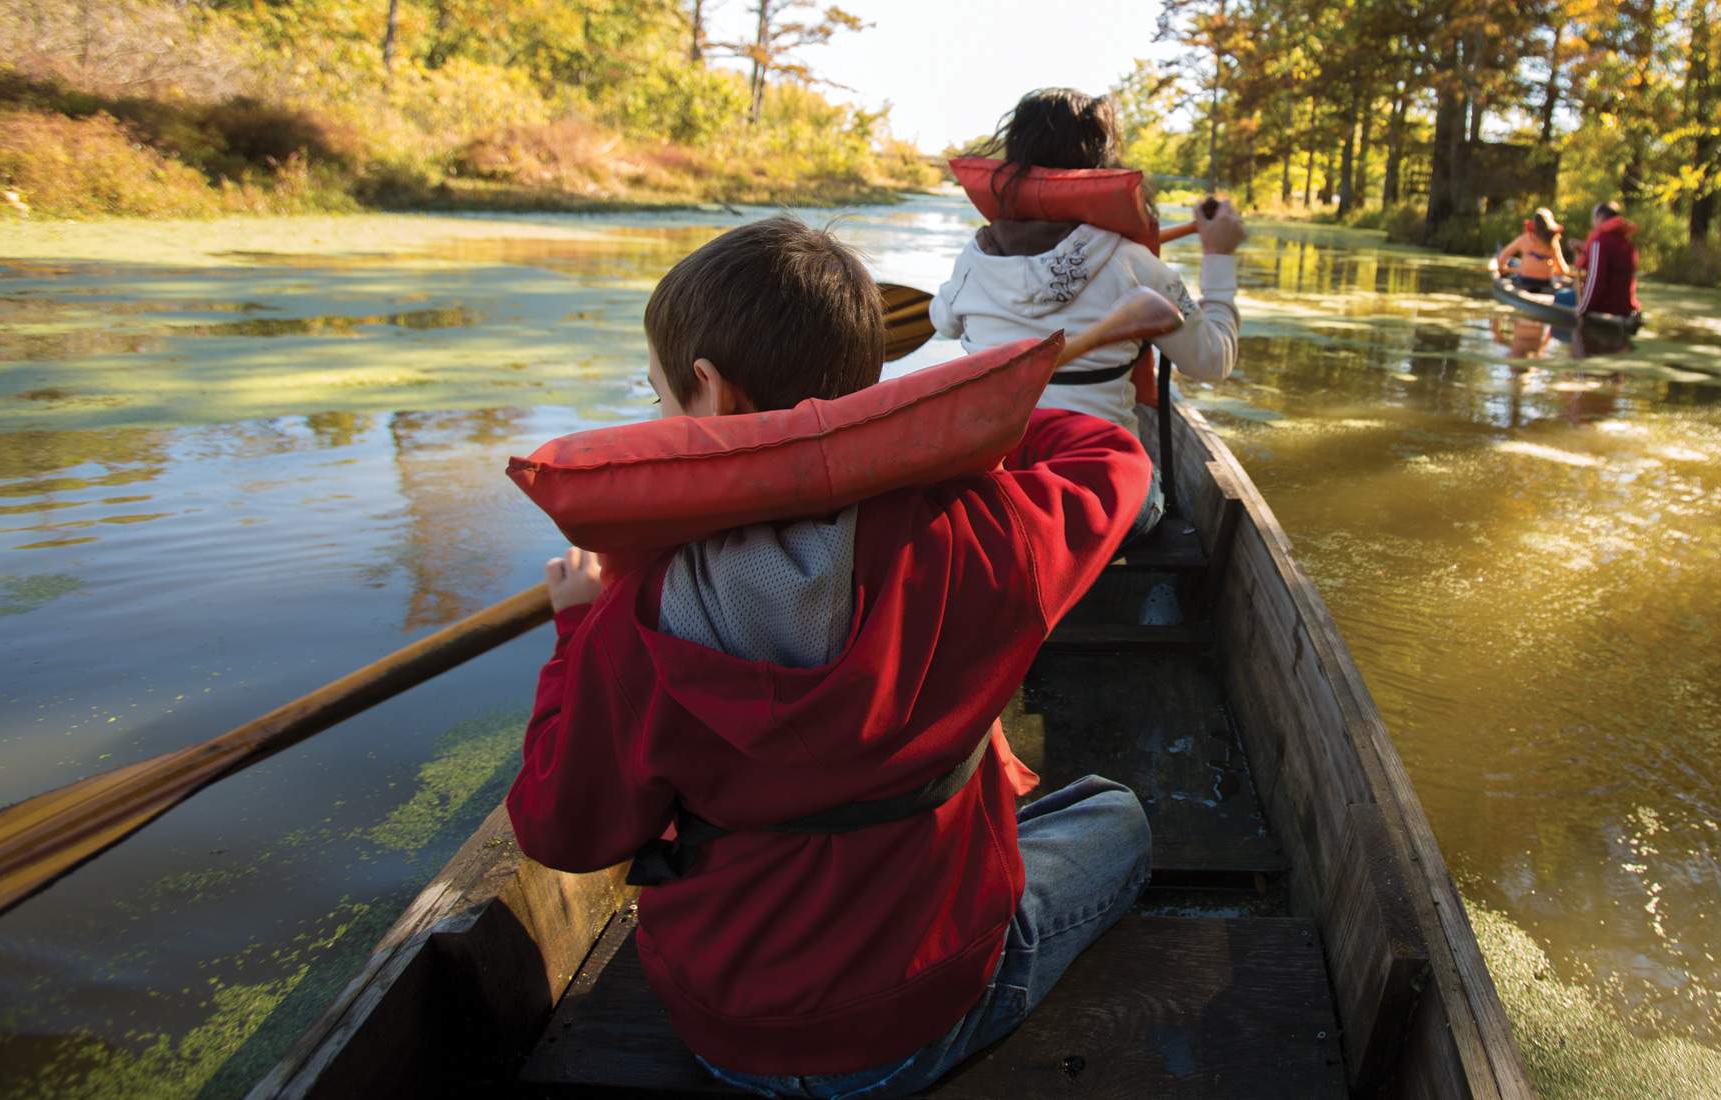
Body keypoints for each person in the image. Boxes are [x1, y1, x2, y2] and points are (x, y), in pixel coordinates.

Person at [506, 216, 1154, 1100]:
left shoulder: (630, 615)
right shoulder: (983, 531)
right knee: (1116, 814)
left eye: (656, 393)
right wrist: (925, 435)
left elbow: (562, 833)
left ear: (706, 392)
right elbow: (1110, 454)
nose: (654, 414)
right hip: (911, 1027)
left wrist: (576, 626)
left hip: (726, 1029)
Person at [931, 87, 1245, 540]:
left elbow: (941, 321)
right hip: (1096, 492)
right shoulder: (1136, 267)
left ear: (1016, 159)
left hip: (992, 479)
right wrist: (1218, 256)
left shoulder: (972, 260)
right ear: (1101, 163)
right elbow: (1214, 361)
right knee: (1152, 489)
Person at [1553, 201, 1640, 319]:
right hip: (1624, 308)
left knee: (1560, 296)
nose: (1592, 222)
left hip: (1603, 307)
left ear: (1600, 218)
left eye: (1593, 218)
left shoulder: (1599, 241)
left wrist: (1581, 309)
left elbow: (1596, 280)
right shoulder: (1626, 243)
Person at [1493, 207, 1571, 293]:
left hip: (1525, 280)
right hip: (1545, 282)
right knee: (1515, 263)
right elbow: (1562, 269)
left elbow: (1503, 256)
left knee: (1513, 268)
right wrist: (1560, 272)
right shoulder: (1553, 242)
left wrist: (1502, 269)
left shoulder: (1525, 238)